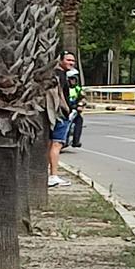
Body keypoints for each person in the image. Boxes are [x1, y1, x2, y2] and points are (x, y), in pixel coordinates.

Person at [48, 53, 76, 188]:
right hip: (60, 114)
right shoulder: (61, 75)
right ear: (60, 60)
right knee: (56, 144)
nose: (71, 62)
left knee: (51, 144)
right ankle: (53, 176)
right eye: (68, 60)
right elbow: (59, 95)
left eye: (73, 60)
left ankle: (51, 174)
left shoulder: (57, 74)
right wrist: (67, 110)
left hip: (54, 114)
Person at [65, 68, 86, 149]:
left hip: (75, 109)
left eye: (74, 79)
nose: (73, 81)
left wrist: (81, 105)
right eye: (71, 79)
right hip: (66, 109)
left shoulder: (78, 89)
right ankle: (63, 140)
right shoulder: (65, 88)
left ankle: (75, 141)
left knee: (79, 120)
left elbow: (83, 98)